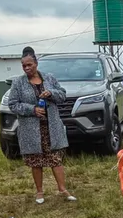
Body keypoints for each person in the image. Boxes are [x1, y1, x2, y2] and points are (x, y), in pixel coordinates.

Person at [8, 47, 76, 204]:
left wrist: (51, 93)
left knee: (55, 159)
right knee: (36, 160)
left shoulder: (49, 78)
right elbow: (13, 104)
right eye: (24, 66)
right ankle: (39, 192)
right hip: (31, 129)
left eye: (29, 65)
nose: (26, 68)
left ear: (36, 63)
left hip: (51, 127)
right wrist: (32, 110)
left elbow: (62, 95)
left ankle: (63, 189)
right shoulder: (18, 83)